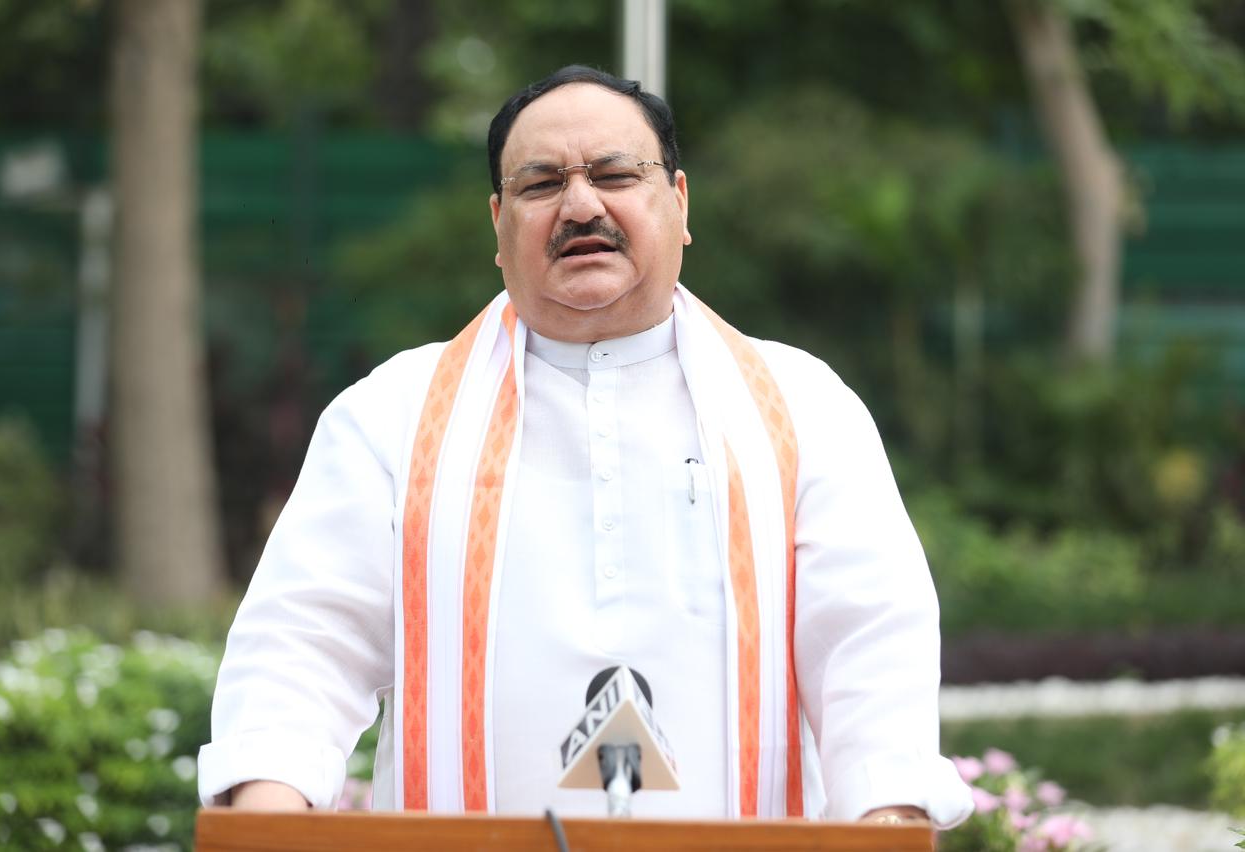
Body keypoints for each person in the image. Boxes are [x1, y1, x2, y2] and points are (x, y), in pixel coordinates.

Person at [198, 65, 974, 828]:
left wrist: (888, 820)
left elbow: (870, 640)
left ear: (678, 201)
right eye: (540, 185)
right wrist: (268, 816)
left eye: (614, 173)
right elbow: (304, 643)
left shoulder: (803, 406)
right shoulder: (392, 416)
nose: (579, 205)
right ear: (498, 227)